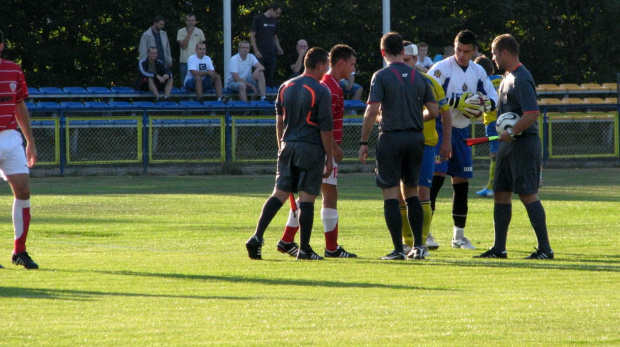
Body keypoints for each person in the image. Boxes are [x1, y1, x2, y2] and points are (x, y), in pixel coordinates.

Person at [245, 47, 334, 260]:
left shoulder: (285, 86)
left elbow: (279, 122)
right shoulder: (321, 90)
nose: (327, 70)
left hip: (287, 145)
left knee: (280, 193)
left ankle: (257, 237)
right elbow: (325, 128)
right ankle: (304, 249)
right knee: (307, 198)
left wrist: (280, 147)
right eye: (326, 66)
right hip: (310, 147)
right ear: (320, 65)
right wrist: (329, 157)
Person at [358, 32, 438, 260]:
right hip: (415, 139)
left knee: (391, 194)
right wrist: (412, 118)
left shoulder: (381, 76)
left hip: (391, 139)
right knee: (412, 192)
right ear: (403, 52)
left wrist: (363, 142)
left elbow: (372, 111)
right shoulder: (420, 77)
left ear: (383, 52)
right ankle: (420, 247)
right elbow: (433, 112)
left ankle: (397, 250)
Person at [475, 34, 553, 260]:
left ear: (504, 52)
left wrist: (511, 131)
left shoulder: (521, 77)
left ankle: (545, 249)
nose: (492, 57)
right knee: (500, 193)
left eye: (493, 52)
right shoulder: (507, 77)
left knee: (527, 194)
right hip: (508, 145)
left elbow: (532, 113)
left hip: (523, 144)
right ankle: (499, 248)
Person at [277, 44, 358, 259]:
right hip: (318, 150)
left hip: (311, 148)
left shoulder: (329, 85)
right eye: (351, 64)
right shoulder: (329, 88)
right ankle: (330, 246)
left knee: (309, 195)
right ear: (340, 63)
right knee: (322, 195)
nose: (353, 69)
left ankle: (287, 240)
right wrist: (333, 149)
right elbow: (322, 125)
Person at [427, 30, 498, 250]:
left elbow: (493, 99)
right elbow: (427, 96)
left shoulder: (478, 71)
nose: (461, 54)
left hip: (461, 130)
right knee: (435, 179)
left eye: (466, 51)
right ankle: (425, 232)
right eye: (458, 49)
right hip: (438, 128)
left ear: (474, 51)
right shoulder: (441, 68)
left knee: (461, 183)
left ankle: (458, 237)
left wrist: (480, 105)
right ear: (454, 46)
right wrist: (457, 101)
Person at [400, 41, 452, 257]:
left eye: (408, 60)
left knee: (422, 191)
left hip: (427, 144)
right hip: (401, 143)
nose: (405, 64)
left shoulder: (430, 82)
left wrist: (446, 142)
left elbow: (445, 113)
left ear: (415, 60)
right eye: (401, 60)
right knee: (401, 194)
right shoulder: (389, 80)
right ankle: (406, 241)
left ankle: (421, 241)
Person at [0, 30, 38, 269]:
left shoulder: (13, 69)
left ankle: (19, 251)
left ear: (1, 46)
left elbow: (19, 105)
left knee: (23, 190)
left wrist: (30, 141)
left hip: (10, 137)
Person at [474, 55, 502, 198]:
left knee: (494, 154)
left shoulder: (482, 83)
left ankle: (492, 186)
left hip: (492, 122)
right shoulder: (501, 78)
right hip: (505, 120)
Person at [250, 2, 284, 88]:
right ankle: (258, 97)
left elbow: (275, 36)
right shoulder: (258, 19)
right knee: (260, 73)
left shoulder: (275, 21)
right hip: (261, 51)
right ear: (272, 10)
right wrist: (256, 51)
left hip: (272, 51)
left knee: (270, 75)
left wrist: (279, 48)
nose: (278, 15)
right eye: (277, 13)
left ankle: (269, 96)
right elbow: (252, 35)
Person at [177, 13, 206, 84]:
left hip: (197, 62)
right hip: (185, 62)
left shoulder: (199, 31)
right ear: (185, 22)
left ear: (195, 21)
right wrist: (189, 33)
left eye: (192, 20)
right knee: (184, 84)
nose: (191, 22)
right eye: (189, 20)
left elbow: (202, 48)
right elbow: (183, 46)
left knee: (198, 82)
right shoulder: (180, 31)